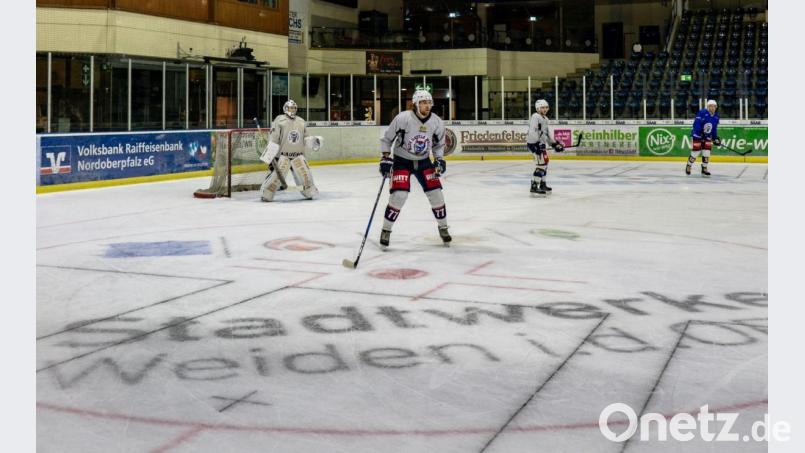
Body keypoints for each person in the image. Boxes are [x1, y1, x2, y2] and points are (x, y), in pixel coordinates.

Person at [378, 89, 450, 247]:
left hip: (424, 161)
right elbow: (387, 139)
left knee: (436, 194)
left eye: (429, 102)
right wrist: (385, 158)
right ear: (416, 104)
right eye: (423, 102)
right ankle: (386, 229)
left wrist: (439, 159)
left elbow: (439, 144)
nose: (427, 105)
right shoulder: (403, 118)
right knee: (399, 195)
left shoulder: (436, 122)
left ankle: (443, 227)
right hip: (402, 161)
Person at [259, 100, 322, 201]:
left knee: (306, 178)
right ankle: (266, 194)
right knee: (274, 178)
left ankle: (309, 192)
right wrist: (270, 153)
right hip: (282, 156)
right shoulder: (279, 120)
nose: (292, 110)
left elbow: (306, 138)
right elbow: (274, 138)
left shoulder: (301, 121)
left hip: (298, 156)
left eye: (294, 108)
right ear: (285, 109)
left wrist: (313, 141)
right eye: (290, 108)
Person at [527, 99, 564, 196]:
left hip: (540, 144)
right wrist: (536, 144)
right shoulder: (535, 116)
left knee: (545, 163)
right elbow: (532, 132)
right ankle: (534, 186)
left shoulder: (545, 119)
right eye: (542, 107)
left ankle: (542, 184)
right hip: (534, 144)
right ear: (538, 108)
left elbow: (546, 134)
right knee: (541, 164)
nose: (545, 109)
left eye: (546, 107)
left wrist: (554, 144)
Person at [687, 99, 721, 177]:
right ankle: (689, 165)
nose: (712, 108)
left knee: (707, 152)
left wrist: (715, 137)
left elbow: (714, 128)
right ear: (708, 107)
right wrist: (700, 132)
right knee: (696, 152)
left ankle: (704, 168)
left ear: (716, 107)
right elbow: (696, 124)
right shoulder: (702, 113)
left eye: (714, 106)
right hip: (697, 135)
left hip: (707, 136)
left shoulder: (716, 116)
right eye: (710, 106)